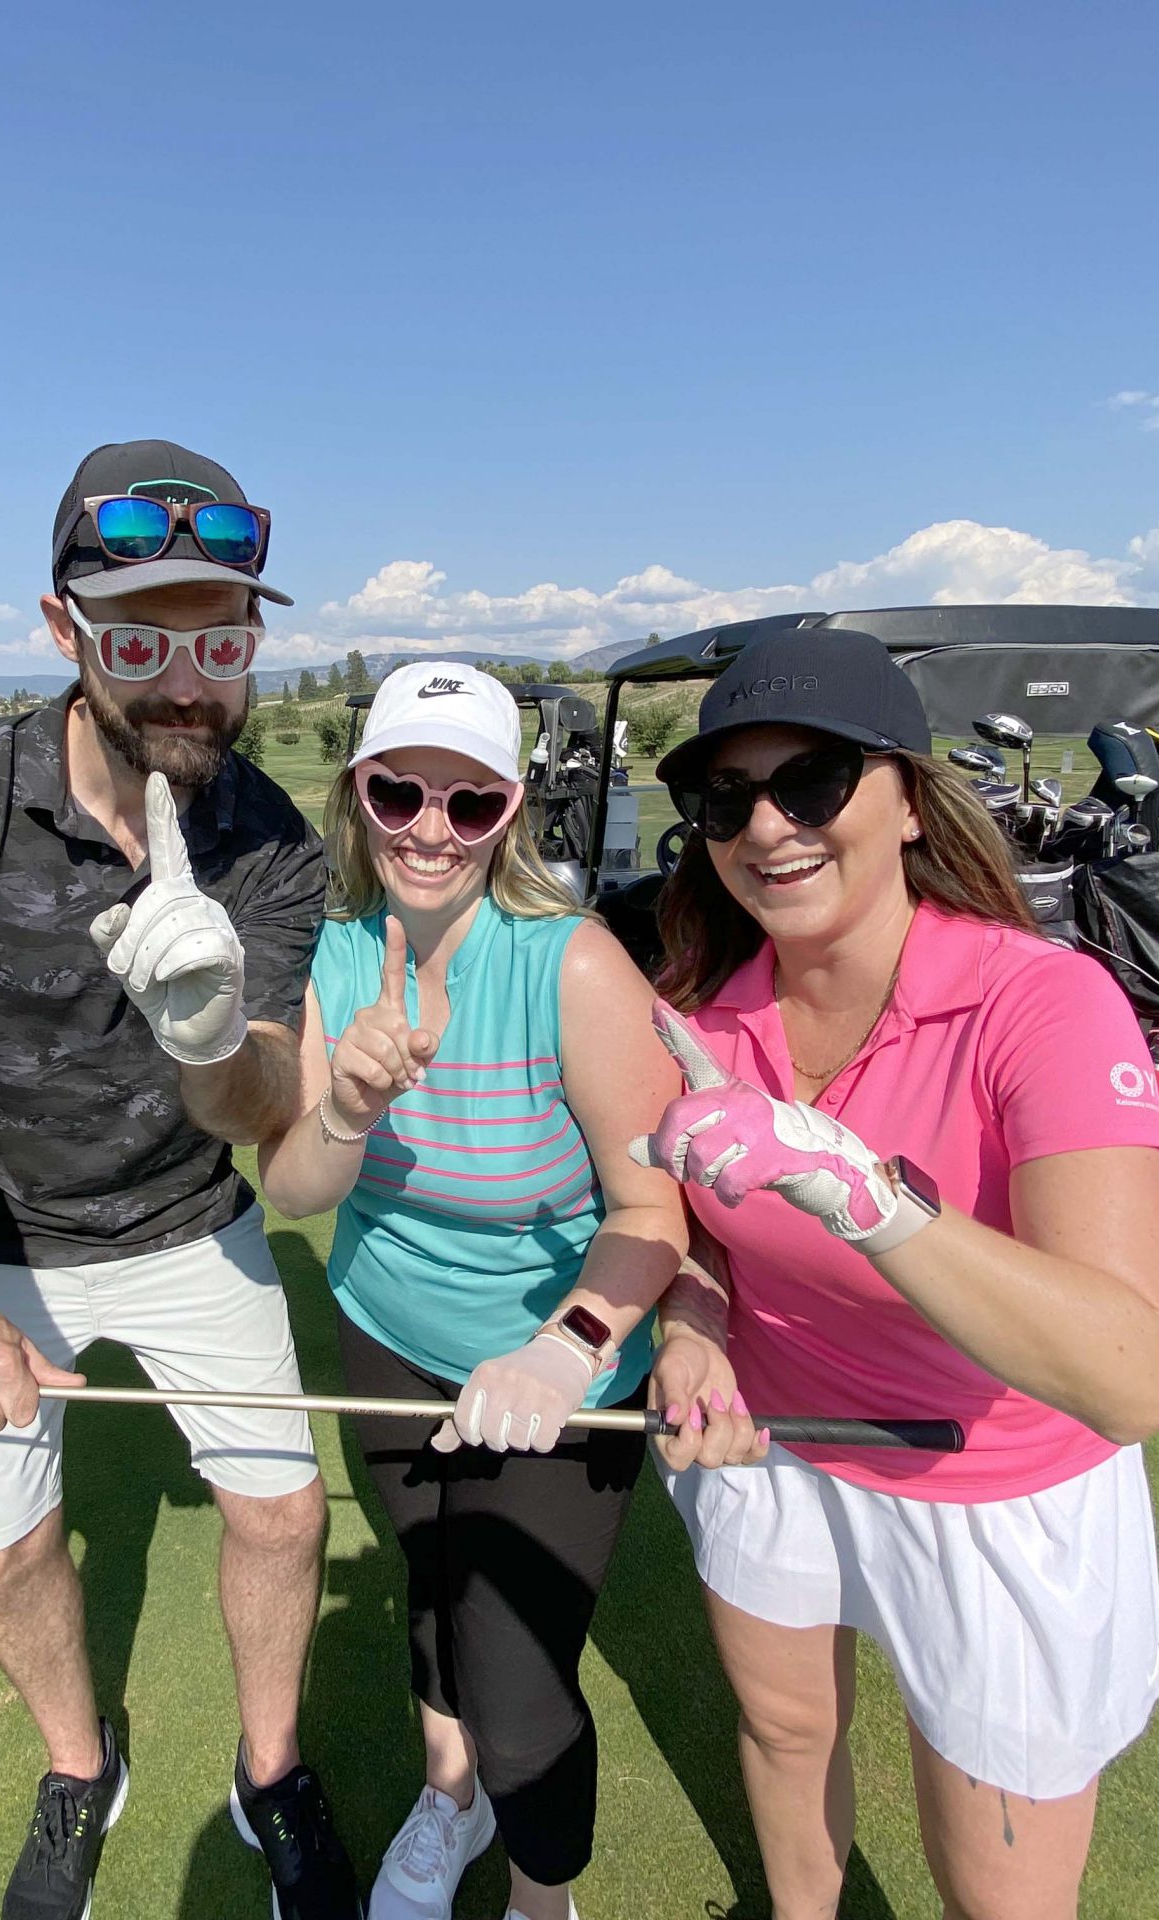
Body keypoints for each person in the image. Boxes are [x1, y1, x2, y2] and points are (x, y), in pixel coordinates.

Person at [0, 440, 362, 1920]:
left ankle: (270, 1775)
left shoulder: (264, 830)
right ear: (64, 632)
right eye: (140, 639)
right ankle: (81, 1767)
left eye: (222, 639)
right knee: (4, 1553)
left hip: (188, 1218)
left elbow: (265, 1106)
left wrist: (203, 1030)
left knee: (281, 1516)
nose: (189, 680)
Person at [634, 628, 1159, 1920]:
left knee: (995, 1887)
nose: (767, 824)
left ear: (905, 794)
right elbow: (704, 1240)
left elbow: (1139, 1373)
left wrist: (867, 1196)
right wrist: (692, 1327)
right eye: (726, 798)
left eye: (812, 779)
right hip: (778, 1445)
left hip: (990, 1485)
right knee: (782, 1737)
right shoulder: (705, 1009)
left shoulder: (1041, 1006)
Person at [257, 663, 688, 1920]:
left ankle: (542, 1895)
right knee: (434, 1582)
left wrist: (563, 1350)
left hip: (562, 1359)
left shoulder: (574, 964)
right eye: (398, 792)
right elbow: (293, 1189)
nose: (428, 829)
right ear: (358, 796)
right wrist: (344, 1103)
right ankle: (447, 1801)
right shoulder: (331, 958)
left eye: (468, 801)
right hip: (388, 1330)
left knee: (516, 1680)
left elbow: (650, 1209)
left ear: (509, 813)